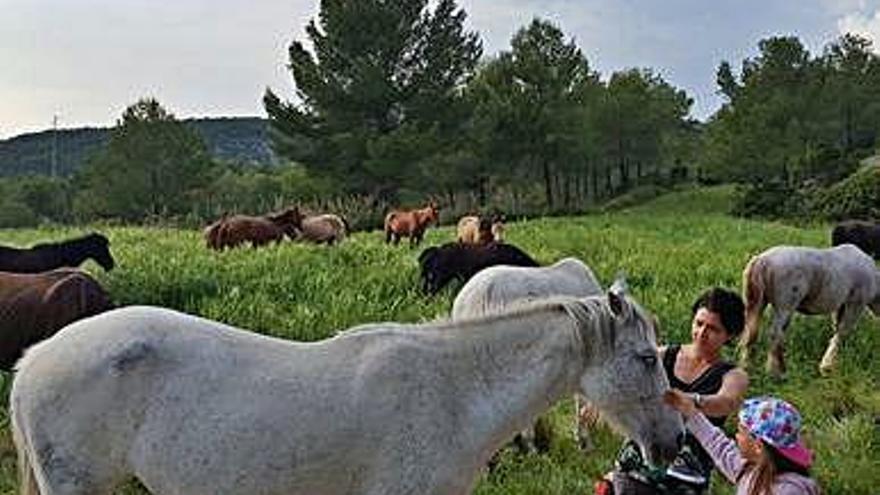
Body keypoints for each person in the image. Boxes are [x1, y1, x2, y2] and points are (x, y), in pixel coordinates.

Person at [601, 287, 750, 494]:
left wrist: (687, 401)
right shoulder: (661, 356)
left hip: (686, 476)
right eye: (698, 323)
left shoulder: (733, 375)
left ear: (730, 335)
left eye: (713, 329)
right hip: (640, 459)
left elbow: (725, 403)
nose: (701, 333)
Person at [663, 393, 820, 494]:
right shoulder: (748, 469)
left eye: (740, 432)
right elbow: (719, 445)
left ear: (758, 446)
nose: (736, 437)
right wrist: (690, 413)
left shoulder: (789, 490)